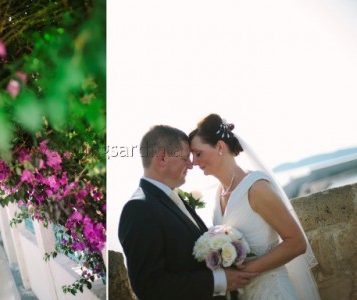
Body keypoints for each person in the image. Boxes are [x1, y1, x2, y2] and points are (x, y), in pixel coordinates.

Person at [189, 114, 320, 300]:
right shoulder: (219, 192)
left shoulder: (256, 188)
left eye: (198, 153)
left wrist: (245, 271)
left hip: (273, 292)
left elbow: (297, 243)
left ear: (219, 146)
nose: (193, 161)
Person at [118, 125, 257, 300]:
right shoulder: (139, 209)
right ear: (162, 158)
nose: (191, 165)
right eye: (185, 158)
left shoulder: (171, 198)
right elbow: (149, 287)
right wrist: (220, 281)